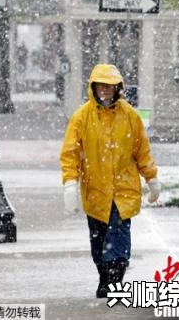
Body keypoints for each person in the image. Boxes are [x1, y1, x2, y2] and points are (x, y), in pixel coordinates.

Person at [59, 64, 161, 298]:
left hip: (124, 191)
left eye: (108, 86)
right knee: (99, 240)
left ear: (117, 88)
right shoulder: (82, 117)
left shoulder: (130, 116)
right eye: (99, 86)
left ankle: (114, 279)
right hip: (95, 190)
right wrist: (70, 184)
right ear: (92, 88)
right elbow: (70, 154)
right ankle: (105, 276)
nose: (104, 90)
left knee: (118, 236)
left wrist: (151, 178)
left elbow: (142, 151)